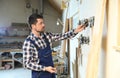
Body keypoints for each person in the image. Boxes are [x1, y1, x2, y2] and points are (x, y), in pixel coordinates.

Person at [23, 13, 85, 78]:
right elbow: (27, 64)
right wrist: (45, 68)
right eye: (40, 23)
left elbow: (62, 36)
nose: (43, 25)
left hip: (51, 73)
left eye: (43, 22)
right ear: (33, 26)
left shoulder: (47, 36)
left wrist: (75, 31)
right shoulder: (28, 43)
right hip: (39, 75)